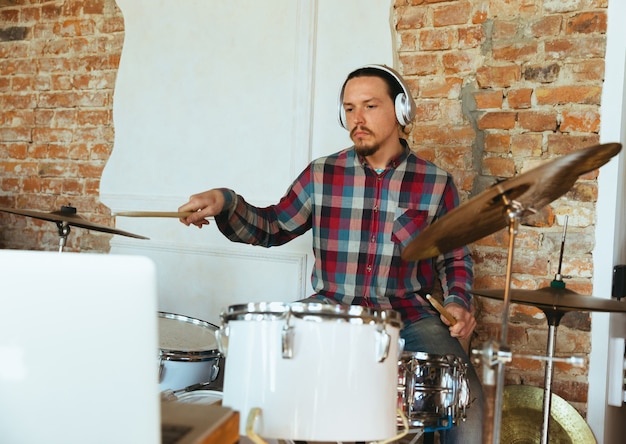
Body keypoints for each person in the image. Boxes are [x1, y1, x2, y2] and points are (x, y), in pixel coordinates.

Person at [178, 64, 483, 443]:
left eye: (369, 106)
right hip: (331, 310)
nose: (357, 118)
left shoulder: (436, 183)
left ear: (402, 110)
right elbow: (272, 227)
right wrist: (224, 201)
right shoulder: (322, 174)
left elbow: (453, 257)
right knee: (267, 379)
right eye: (349, 108)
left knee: (465, 400)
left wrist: (458, 302)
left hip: (410, 316)